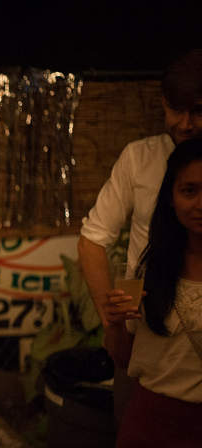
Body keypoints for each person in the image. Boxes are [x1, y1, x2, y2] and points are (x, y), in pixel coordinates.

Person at [78, 48, 202, 424]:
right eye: (175, 109)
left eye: (198, 111)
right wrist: (113, 318)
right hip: (144, 336)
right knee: (138, 438)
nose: (185, 124)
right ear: (163, 102)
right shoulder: (141, 158)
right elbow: (92, 239)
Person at [103, 137, 202, 448]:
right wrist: (113, 321)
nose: (200, 203)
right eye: (189, 190)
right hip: (150, 436)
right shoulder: (149, 270)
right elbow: (123, 356)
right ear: (171, 199)